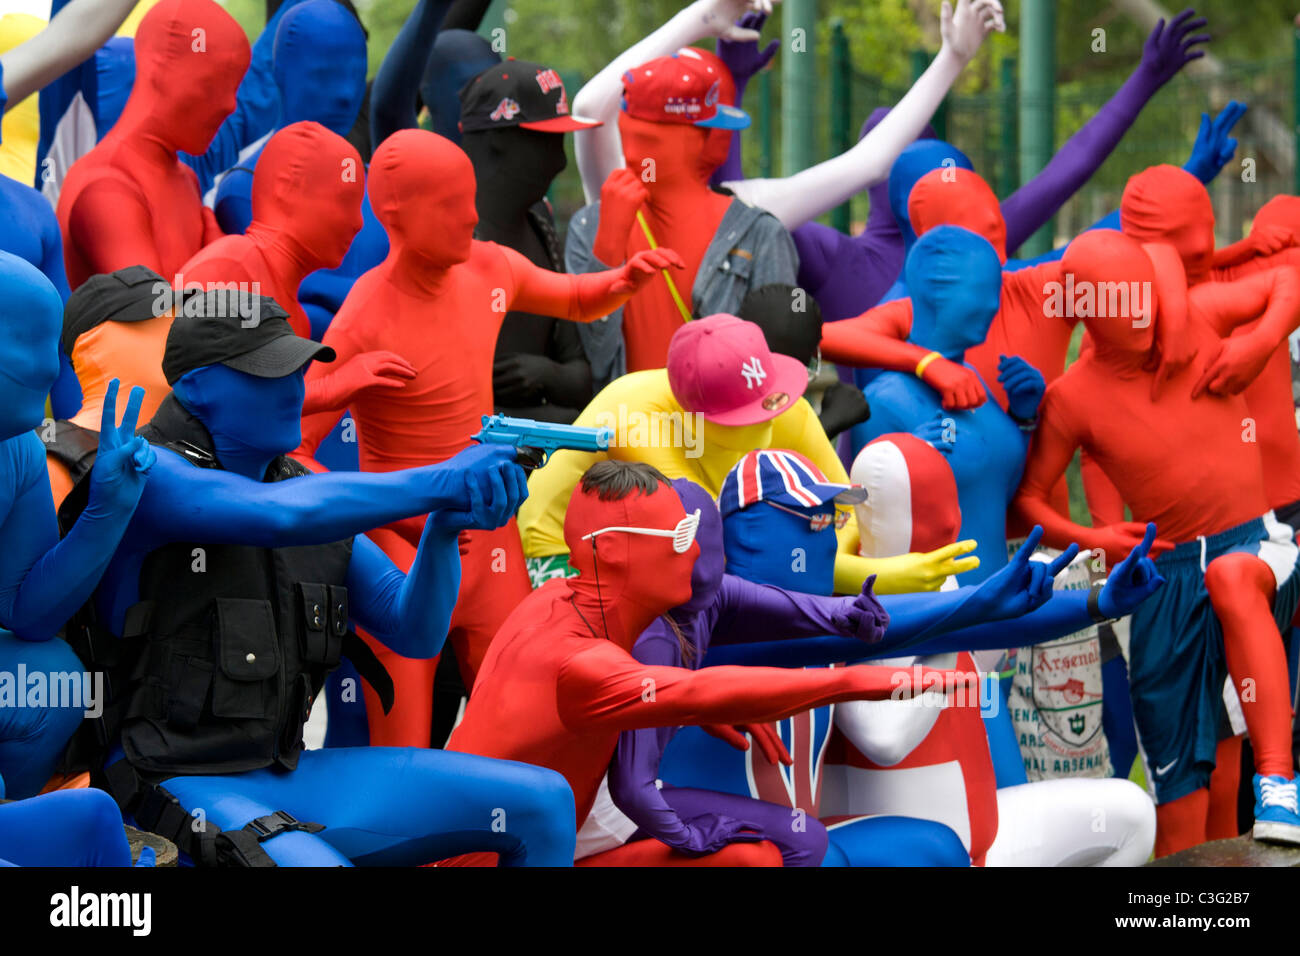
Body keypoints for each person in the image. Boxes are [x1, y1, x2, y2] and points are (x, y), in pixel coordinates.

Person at [78, 288, 576, 867]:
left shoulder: (304, 484)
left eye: (298, 368)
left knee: (543, 802)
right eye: (267, 373)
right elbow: (279, 516)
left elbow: (413, 631)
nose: (293, 388)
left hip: (285, 776)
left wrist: (443, 527)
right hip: (167, 784)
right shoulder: (149, 472)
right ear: (195, 387)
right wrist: (445, 478)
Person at [294, 128, 681, 746]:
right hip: (405, 551)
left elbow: (576, 299)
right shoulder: (369, 312)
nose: (472, 216)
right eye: (450, 205)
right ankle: (408, 835)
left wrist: (624, 280)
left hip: (491, 535)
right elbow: (293, 450)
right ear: (394, 212)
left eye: (471, 198)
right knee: (404, 738)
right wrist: (382, 509)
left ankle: (497, 836)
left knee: (524, 721)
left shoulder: (489, 267)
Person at [445, 459, 979, 864]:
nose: (697, 551)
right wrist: (867, 681)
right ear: (611, 550)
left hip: (562, 823)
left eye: (697, 533)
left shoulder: (573, 599)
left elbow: (790, 614)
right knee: (766, 852)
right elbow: (674, 719)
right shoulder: (590, 657)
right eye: (680, 536)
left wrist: (855, 617)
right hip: (524, 847)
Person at [1013, 229, 1300, 854]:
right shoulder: (1073, 398)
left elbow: (1289, 280)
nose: (1139, 314)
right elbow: (1029, 499)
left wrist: (1259, 340)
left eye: (1142, 296)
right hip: (1164, 580)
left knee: (1231, 769)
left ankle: (1279, 779)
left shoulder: (1195, 320)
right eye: (1118, 305)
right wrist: (1092, 535)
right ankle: (1186, 921)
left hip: (1253, 547)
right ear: (1087, 311)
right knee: (1180, 795)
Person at [815, 433, 1157, 866]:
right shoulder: (840, 611)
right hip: (911, 854)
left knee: (1132, 814)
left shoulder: (947, 584)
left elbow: (991, 643)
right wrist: (954, 630)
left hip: (985, 837)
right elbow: (884, 741)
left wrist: (1089, 596)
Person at [518, 313, 980, 597]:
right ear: (691, 411)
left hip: (664, 550)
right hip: (560, 553)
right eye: (741, 414)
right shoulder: (636, 417)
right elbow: (721, 546)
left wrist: (820, 566)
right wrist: (872, 576)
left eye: (765, 403)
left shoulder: (784, 402)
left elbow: (845, 508)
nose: (763, 421)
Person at [0, 251, 156, 799]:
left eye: (51, 345)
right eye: (25, 341)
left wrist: (107, 508)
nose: (49, 369)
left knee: (52, 677)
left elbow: (26, 611)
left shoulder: (19, 448)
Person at [182, 122, 416, 412]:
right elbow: (208, 397)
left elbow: (262, 414)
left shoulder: (295, 315)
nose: (357, 223)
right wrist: (331, 387)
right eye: (344, 202)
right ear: (286, 188)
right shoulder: (231, 265)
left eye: (359, 206)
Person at [56, 0, 250, 289]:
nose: (229, 105)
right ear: (159, 65)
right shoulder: (108, 186)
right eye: (212, 84)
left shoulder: (186, 179)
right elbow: (155, 318)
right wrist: (224, 260)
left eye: (234, 89)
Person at [458, 60, 601, 424]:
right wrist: (562, 414)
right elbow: (453, 410)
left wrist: (547, 375)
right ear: (498, 141)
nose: (561, 161)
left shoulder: (541, 227)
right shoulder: (449, 247)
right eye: (548, 141)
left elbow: (582, 378)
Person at [44, 266, 174, 510]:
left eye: (180, 316)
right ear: (92, 343)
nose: (179, 330)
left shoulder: (194, 440)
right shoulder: (53, 463)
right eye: (156, 318)